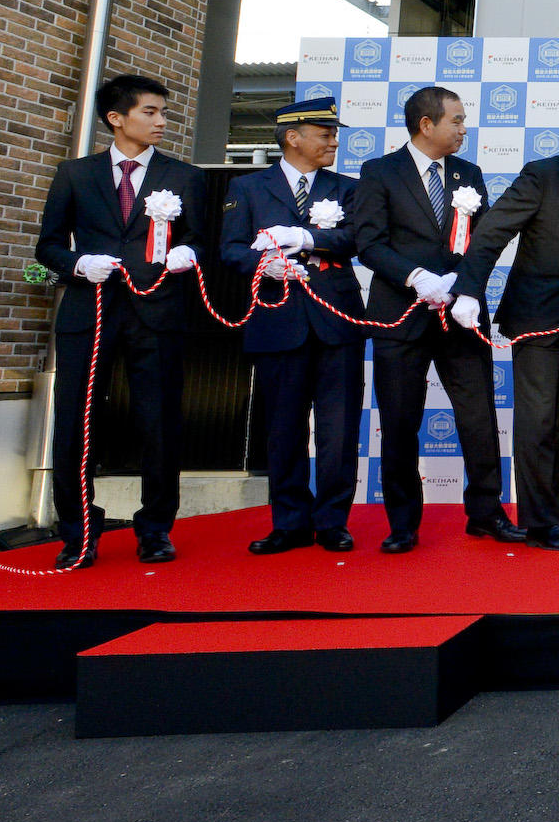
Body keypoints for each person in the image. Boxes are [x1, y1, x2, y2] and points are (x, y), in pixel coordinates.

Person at [33, 74, 207, 567]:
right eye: (150, 111)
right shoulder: (74, 173)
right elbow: (47, 245)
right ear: (116, 118)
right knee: (75, 423)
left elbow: (199, 238)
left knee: (160, 422)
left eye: (163, 112)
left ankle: (155, 529)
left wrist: (188, 253)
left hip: (157, 312)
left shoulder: (184, 176)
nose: (161, 121)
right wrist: (77, 264)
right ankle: (78, 532)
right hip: (89, 311)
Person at [450, 93, 559, 551]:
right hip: (535, 318)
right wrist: (468, 289)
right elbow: (492, 233)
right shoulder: (541, 174)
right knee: (538, 422)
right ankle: (537, 522)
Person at [348, 85, 520, 553]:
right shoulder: (379, 171)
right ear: (427, 124)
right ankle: (403, 523)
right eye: (456, 120)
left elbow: (484, 241)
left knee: (479, 417)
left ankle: (486, 513)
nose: (464, 129)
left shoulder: (469, 173)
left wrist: (465, 287)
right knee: (400, 421)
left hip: (461, 316)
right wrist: (418, 278)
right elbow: (369, 243)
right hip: (400, 316)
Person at [218, 97, 365, 554]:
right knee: (283, 429)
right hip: (276, 319)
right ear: (293, 137)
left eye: (333, 134)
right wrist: (263, 264)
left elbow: (357, 238)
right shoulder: (248, 187)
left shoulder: (348, 187)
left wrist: (307, 237)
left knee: (339, 430)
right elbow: (230, 248)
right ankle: (290, 522)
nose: (333, 142)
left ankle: (333, 521)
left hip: (336, 321)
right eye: (325, 134)